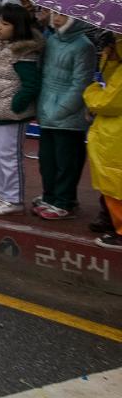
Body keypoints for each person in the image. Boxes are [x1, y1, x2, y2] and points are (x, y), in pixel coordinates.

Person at [0, 3, 43, 216]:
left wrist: (15, 105)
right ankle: (1, 195)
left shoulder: (23, 52)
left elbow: (30, 85)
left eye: (5, 23)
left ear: (18, 26)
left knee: (9, 155)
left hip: (12, 115)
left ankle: (13, 198)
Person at [34, 12, 95, 220]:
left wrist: (61, 110)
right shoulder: (50, 40)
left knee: (67, 162)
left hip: (69, 116)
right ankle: (50, 196)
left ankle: (65, 201)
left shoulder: (84, 46)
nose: (56, 18)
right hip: (46, 110)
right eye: (54, 14)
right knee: (47, 160)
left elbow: (81, 84)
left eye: (62, 15)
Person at [86, 38, 122, 248]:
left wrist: (91, 91)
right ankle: (111, 221)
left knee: (115, 182)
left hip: (115, 133)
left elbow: (108, 101)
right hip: (111, 132)